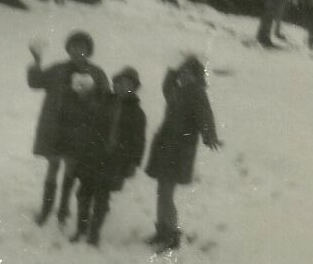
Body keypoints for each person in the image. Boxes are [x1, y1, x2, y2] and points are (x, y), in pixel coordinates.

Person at [27, 31, 109, 226]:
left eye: (82, 47)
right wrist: (36, 61)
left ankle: (63, 208)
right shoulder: (58, 69)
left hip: (80, 130)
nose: (77, 51)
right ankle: (46, 209)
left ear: (88, 51)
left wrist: (88, 98)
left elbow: (106, 101)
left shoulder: (96, 73)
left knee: (71, 169)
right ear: (68, 49)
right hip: (55, 128)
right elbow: (35, 82)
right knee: (53, 166)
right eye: (73, 47)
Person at [145, 55, 223, 252]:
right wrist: (173, 72)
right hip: (165, 146)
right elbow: (166, 87)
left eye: (190, 73)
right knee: (162, 192)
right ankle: (162, 229)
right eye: (183, 72)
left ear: (197, 77)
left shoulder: (197, 93)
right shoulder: (177, 91)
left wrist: (209, 135)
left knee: (166, 193)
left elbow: (205, 116)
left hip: (179, 151)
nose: (185, 76)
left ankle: (171, 234)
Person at [71, 66, 146, 247]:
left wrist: (133, 163)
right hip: (92, 156)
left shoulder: (137, 113)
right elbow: (91, 127)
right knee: (83, 193)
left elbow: (139, 141)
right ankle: (81, 229)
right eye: (119, 83)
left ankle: (94, 233)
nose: (122, 87)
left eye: (128, 84)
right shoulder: (104, 103)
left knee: (102, 197)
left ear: (134, 88)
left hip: (114, 161)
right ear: (114, 84)